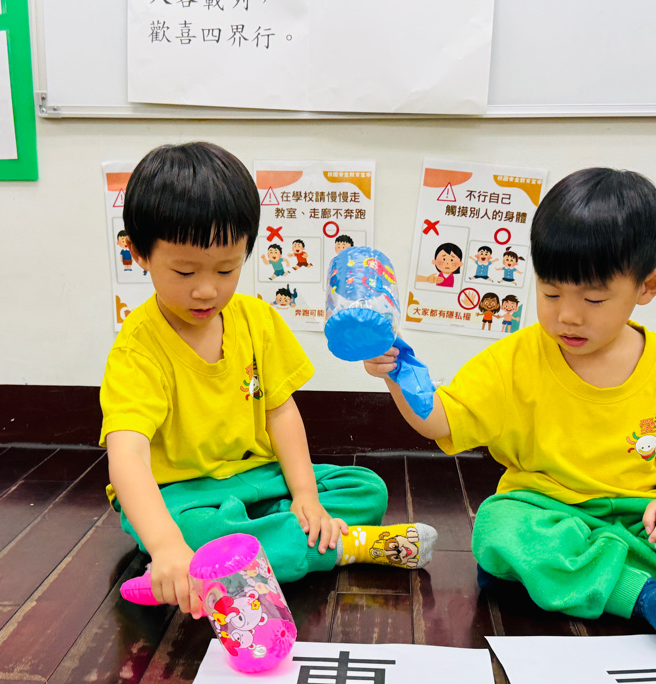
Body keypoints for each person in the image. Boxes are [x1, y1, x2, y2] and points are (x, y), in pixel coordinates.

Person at [364, 168, 656, 645]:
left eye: (594, 299)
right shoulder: (515, 359)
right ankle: (638, 592)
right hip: (544, 510)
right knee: (498, 528)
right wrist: (398, 374)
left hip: (637, 517)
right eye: (550, 293)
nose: (567, 315)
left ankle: (573, 576)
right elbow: (441, 421)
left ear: (649, 286)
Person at [100, 142, 436, 616]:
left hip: (259, 477)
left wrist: (305, 496)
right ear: (139, 253)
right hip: (183, 495)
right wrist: (166, 546)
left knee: (366, 488)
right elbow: (128, 456)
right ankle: (345, 545)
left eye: (226, 269)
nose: (206, 290)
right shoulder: (137, 350)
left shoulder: (257, 320)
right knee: (194, 536)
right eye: (184, 271)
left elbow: (280, 412)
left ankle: (267, 537)